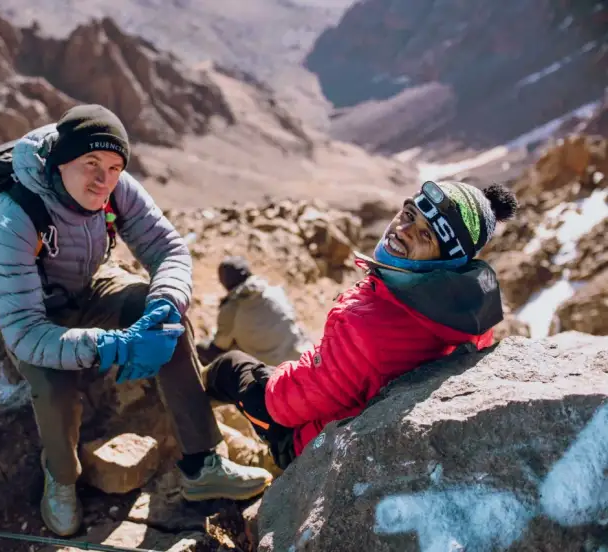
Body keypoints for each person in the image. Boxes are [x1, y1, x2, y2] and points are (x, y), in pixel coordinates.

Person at [0, 104, 272, 537]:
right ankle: (61, 476)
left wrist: (164, 305)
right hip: (36, 310)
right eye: (90, 164)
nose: (103, 179)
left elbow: (168, 248)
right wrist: (114, 346)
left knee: (167, 325)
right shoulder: (13, 218)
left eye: (114, 167)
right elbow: (24, 331)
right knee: (54, 386)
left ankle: (201, 462)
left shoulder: (117, 189)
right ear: (60, 161)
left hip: (89, 283)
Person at [202, 180, 518, 470]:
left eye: (426, 235)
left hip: (311, 444)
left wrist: (296, 369)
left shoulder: (366, 323)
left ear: (447, 260)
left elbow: (283, 406)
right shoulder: (470, 309)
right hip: (362, 417)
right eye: (409, 214)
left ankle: (196, 455)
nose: (404, 230)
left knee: (229, 368)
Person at [197, 256, 312, 366]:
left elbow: (220, 345)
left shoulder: (233, 307)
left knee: (204, 350)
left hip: (272, 370)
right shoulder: (274, 291)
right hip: (302, 356)